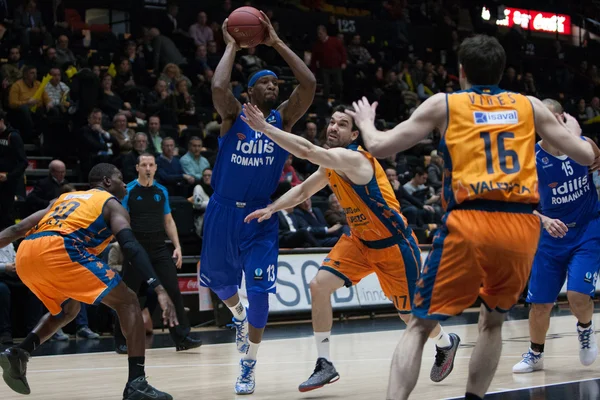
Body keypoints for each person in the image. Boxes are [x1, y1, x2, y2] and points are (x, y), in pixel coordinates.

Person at [345, 35, 600, 400]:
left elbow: (381, 146)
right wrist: (576, 135)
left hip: (470, 220)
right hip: (519, 226)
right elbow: (584, 155)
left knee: (419, 326)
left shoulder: (446, 104)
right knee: (492, 322)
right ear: (502, 71)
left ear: (461, 71)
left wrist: (367, 122)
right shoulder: (528, 105)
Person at [242, 103, 459, 392]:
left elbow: (306, 151)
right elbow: (305, 190)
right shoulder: (332, 164)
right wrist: (273, 208)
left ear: (354, 133)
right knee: (319, 286)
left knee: (409, 316)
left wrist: (266, 129)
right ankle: (324, 363)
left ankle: (446, 343)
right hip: (359, 242)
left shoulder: (354, 159)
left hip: (394, 245)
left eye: (341, 124)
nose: (333, 127)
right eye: (331, 122)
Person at [201, 12, 316, 394]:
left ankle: (248, 364)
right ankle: (237, 316)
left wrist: (276, 42)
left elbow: (309, 83)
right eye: (264, 82)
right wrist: (232, 45)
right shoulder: (234, 115)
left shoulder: (283, 119)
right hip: (222, 210)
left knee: (261, 294)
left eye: (274, 83)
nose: (272, 86)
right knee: (219, 281)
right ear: (250, 92)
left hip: (261, 216)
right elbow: (218, 88)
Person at [0, 163, 178, 400]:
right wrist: (158, 287)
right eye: (119, 178)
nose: (124, 184)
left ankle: (20, 352)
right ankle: (137, 382)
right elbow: (130, 245)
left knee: (68, 309)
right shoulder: (111, 204)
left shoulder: (64, 198)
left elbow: (19, 228)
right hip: (62, 250)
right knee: (128, 301)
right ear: (106, 182)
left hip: (26, 254)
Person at [512, 100, 600, 374]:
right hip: (549, 237)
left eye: (553, 119)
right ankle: (535, 354)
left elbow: (596, 160)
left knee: (577, 295)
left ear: (563, 118)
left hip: (587, 229)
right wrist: (545, 219)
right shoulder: (529, 160)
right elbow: (519, 205)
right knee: (540, 305)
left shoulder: (585, 146)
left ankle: (585, 329)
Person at [114, 152, 202, 353]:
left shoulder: (161, 191)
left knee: (173, 290)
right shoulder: (128, 190)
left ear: (155, 168)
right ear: (137, 167)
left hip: (159, 247)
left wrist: (177, 246)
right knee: (127, 295)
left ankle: (181, 336)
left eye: (150, 165)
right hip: (136, 248)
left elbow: (169, 221)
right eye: (143, 164)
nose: (147, 168)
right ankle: (121, 339)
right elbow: (121, 219)